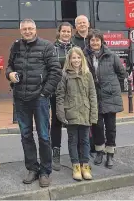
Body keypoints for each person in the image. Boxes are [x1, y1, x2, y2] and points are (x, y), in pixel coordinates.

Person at [6, 19, 61, 188]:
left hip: (40, 99)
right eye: (24, 29)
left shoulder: (47, 46)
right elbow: (9, 66)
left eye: (30, 28)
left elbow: (56, 72)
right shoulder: (15, 47)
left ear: (35, 29)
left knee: (44, 136)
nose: (27, 31)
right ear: (20, 30)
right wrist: (10, 74)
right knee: (26, 135)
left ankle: (45, 171)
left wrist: (45, 93)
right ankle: (32, 168)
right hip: (21, 99)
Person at [84, 29, 126, 168]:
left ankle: (110, 154)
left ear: (102, 41)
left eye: (97, 40)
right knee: (97, 126)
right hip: (94, 96)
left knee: (110, 127)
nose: (95, 42)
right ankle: (100, 152)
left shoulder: (111, 55)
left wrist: (112, 86)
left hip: (109, 96)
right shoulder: (84, 56)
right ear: (89, 41)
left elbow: (122, 73)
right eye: (92, 40)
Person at [56, 47, 98, 181]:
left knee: (85, 141)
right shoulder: (65, 75)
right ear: (69, 59)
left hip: (85, 112)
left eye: (78, 57)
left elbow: (92, 95)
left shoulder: (88, 74)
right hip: (71, 113)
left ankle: (85, 165)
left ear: (82, 59)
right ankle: (75, 166)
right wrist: (61, 113)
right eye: (73, 58)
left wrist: (93, 115)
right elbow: (60, 95)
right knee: (73, 141)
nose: (76, 60)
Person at [51, 22, 74, 171]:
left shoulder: (76, 49)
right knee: (57, 121)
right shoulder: (51, 49)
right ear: (59, 32)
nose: (66, 34)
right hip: (56, 91)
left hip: (73, 91)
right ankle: (56, 152)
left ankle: (75, 156)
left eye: (68, 31)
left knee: (73, 121)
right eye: (63, 31)